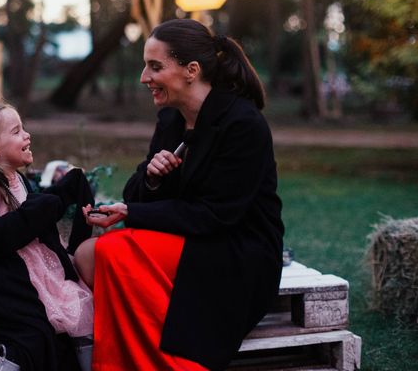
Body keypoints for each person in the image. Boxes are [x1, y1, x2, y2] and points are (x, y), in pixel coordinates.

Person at [75, 19, 284, 371]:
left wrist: (131, 214)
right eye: (146, 66)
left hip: (238, 250)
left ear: (191, 70)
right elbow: (139, 194)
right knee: (88, 255)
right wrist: (154, 179)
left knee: (110, 252)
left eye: (155, 67)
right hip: (189, 238)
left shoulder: (242, 124)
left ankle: (173, 363)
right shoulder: (172, 120)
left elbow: (217, 216)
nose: (144, 77)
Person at [0, 102, 95, 371]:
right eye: (16, 132)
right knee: (33, 333)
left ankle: (89, 362)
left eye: (23, 128)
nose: (27, 135)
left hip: (35, 265)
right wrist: (37, 210)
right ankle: (12, 361)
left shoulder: (16, 178)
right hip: (7, 274)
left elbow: (31, 218)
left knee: (82, 308)